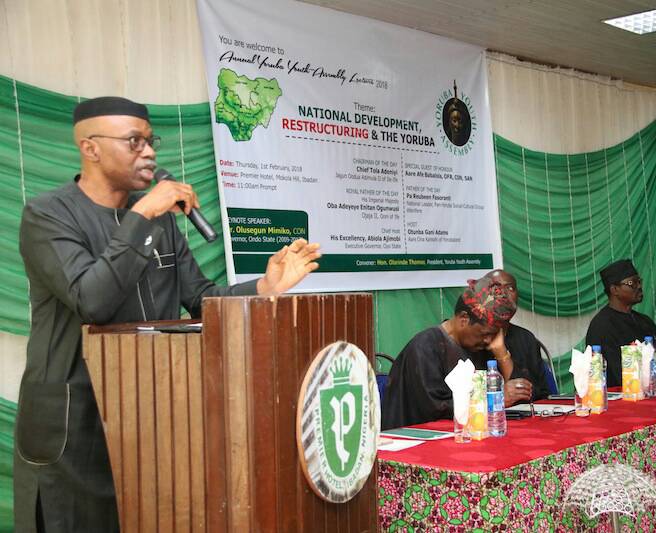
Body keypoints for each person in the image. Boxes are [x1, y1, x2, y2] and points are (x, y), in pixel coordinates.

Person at [14, 96, 321, 532]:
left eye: (150, 139)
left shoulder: (161, 224)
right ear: (91, 148)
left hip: (149, 412)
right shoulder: (48, 215)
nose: (150, 151)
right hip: (75, 424)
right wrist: (143, 213)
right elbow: (92, 302)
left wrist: (265, 288)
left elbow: (200, 299)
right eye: (134, 141)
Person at [380, 276, 534, 429]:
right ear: (464, 319)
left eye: (493, 335)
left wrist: (501, 353)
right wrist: (493, 400)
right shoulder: (425, 346)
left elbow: (522, 396)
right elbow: (435, 408)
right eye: (485, 334)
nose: (488, 340)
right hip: (419, 439)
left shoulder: (481, 346)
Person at [584, 259, 656, 387]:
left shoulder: (645, 321)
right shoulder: (602, 326)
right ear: (614, 289)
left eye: (639, 281)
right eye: (632, 283)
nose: (639, 286)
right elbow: (616, 378)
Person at [484, 269, 552, 399]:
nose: (503, 294)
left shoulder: (526, 338)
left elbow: (541, 393)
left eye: (509, 288)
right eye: (495, 288)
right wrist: (498, 397)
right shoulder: (472, 338)